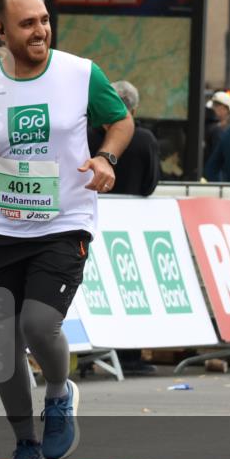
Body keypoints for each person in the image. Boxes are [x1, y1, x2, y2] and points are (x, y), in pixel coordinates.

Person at [0, 0, 134, 459]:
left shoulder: (80, 73)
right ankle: (25, 443)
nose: (40, 30)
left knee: (37, 324)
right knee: (2, 346)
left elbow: (121, 121)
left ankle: (58, 392)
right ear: (1, 30)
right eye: (28, 23)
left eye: (45, 20)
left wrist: (107, 157)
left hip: (64, 223)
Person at [87, 80, 159, 375]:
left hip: (90, 221)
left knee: (94, 290)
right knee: (131, 290)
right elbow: (150, 184)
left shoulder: (88, 136)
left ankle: (92, 355)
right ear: (134, 108)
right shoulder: (144, 140)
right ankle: (130, 357)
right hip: (131, 228)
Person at [204, 90, 230, 167]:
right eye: (228, 112)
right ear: (223, 109)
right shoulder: (217, 131)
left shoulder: (202, 125)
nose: (228, 117)